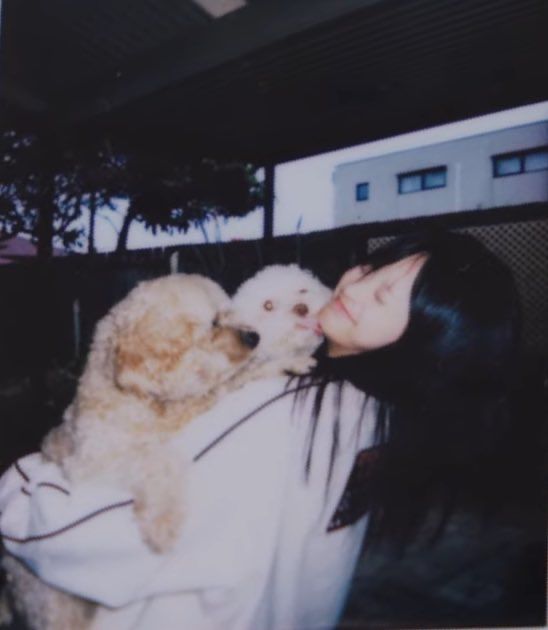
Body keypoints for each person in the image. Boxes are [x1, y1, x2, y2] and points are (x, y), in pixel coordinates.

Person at [0, 230, 520, 630]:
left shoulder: (280, 406)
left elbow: (105, 530)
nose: (355, 289)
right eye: (373, 269)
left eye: (384, 297)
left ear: (422, 339)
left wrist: (19, 488)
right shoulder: (379, 416)